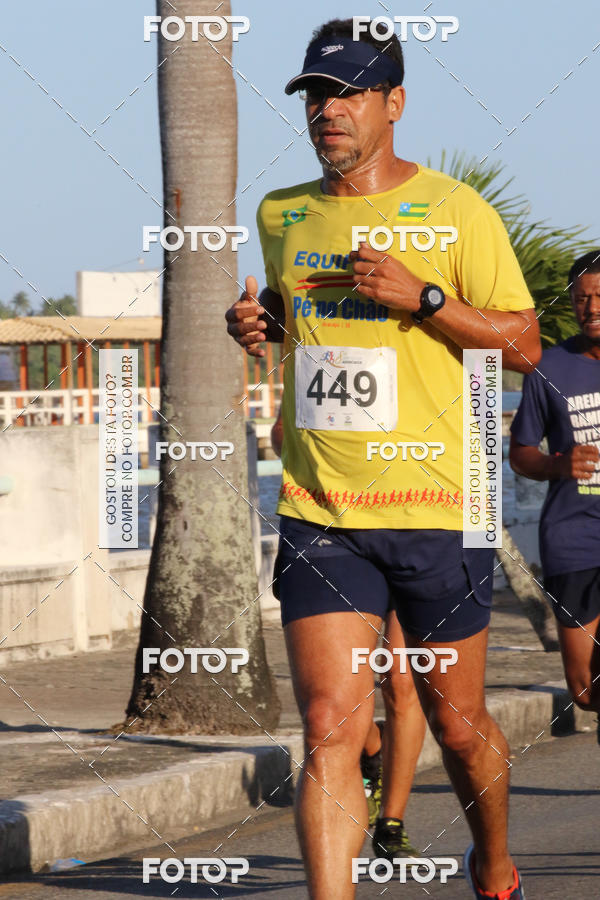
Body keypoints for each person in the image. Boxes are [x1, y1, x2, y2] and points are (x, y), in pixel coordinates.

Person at [226, 18, 541, 899]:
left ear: (394, 103)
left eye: (348, 93)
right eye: (315, 96)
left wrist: (428, 297)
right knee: (329, 724)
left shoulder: (454, 211)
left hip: (442, 506)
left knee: (457, 720)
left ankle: (493, 861)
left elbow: (521, 342)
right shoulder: (282, 212)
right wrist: (262, 325)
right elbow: (304, 320)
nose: (328, 111)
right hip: (323, 509)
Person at [272, 405, 427, 858]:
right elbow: (283, 433)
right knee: (334, 712)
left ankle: (392, 823)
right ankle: (372, 748)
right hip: (338, 533)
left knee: (400, 679)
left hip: (422, 527)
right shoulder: (324, 341)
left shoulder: (430, 341)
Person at [510, 250, 600, 733]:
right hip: (572, 538)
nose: (592, 307)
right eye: (582, 298)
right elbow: (521, 451)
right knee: (584, 690)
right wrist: (558, 464)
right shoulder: (550, 368)